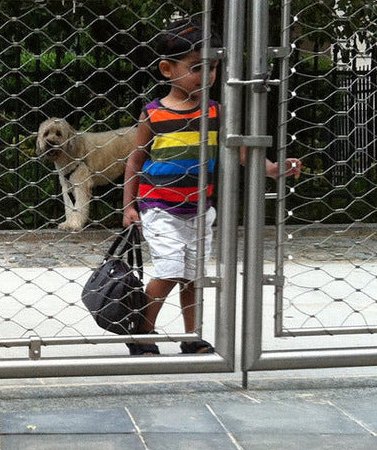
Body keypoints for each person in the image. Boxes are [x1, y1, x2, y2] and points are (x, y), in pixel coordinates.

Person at [121, 19, 301, 356]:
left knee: (193, 276)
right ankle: (143, 331)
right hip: (159, 209)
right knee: (170, 270)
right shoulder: (153, 114)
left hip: (199, 211)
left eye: (213, 67)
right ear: (166, 69)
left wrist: (274, 169)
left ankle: (194, 334)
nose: (208, 75)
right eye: (197, 68)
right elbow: (134, 161)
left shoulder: (217, 112)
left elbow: (243, 152)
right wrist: (128, 206)